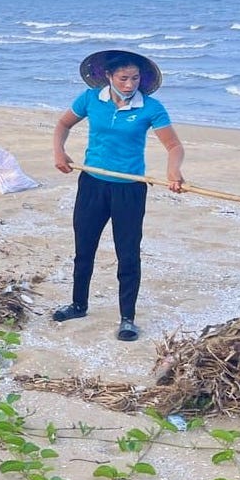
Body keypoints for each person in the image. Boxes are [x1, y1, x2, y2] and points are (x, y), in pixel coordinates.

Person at [51, 49, 186, 342]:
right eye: (123, 78)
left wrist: (173, 171)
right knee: (84, 249)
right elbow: (63, 125)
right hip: (92, 185)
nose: (129, 84)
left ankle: (127, 318)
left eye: (135, 78)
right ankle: (78, 305)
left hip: (130, 189)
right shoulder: (90, 99)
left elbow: (174, 146)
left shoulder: (151, 108)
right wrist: (59, 151)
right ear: (108, 76)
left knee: (128, 254)